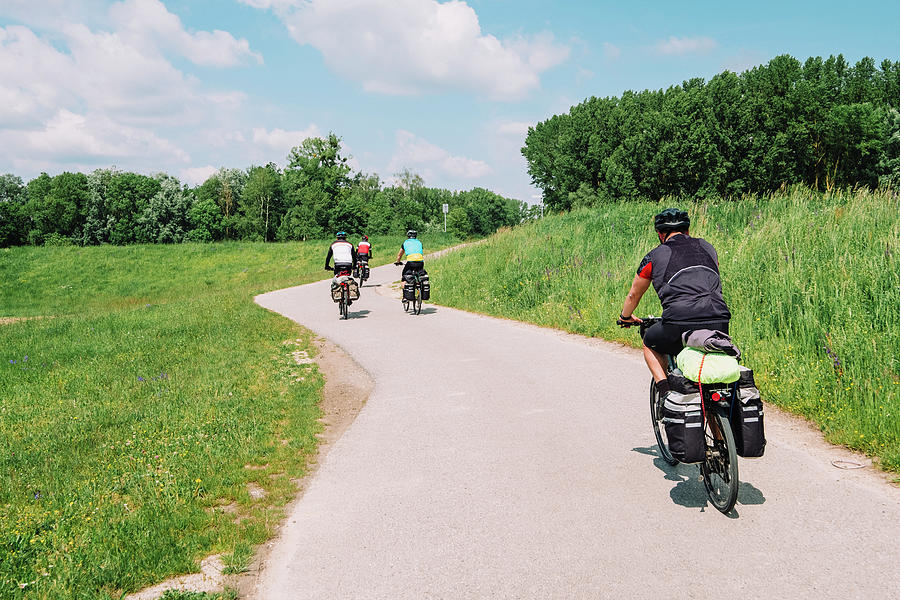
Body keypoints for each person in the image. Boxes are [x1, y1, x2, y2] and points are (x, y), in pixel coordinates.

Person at [618, 208, 731, 399]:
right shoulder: (708, 247)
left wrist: (625, 317)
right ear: (687, 230)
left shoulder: (654, 256)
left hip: (678, 323)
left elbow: (633, 296)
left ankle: (665, 393)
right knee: (709, 386)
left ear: (661, 234)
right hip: (719, 320)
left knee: (649, 342)